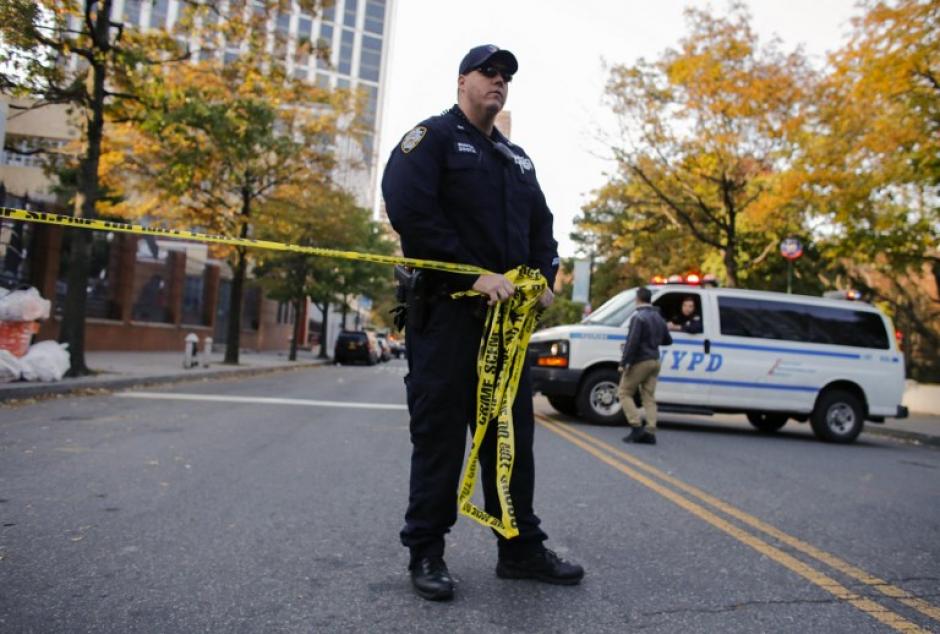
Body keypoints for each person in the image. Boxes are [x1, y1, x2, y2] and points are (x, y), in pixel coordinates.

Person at [382, 44, 584, 601]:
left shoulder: (518, 159)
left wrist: (545, 277)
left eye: (506, 76)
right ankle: (426, 551)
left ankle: (518, 549)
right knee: (441, 439)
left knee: (508, 440)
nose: (499, 81)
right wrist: (473, 275)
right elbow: (409, 212)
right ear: (462, 80)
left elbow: (543, 229)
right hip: (448, 318)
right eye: (488, 72)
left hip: (507, 330)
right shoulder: (431, 140)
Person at [618, 287, 673, 445]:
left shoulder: (638, 317)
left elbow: (632, 342)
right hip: (655, 360)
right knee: (649, 397)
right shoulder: (658, 317)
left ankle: (636, 427)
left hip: (641, 360)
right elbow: (668, 340)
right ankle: (650, 431)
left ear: (638, 299)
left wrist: (625, 362)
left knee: (624, 392)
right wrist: (653, 341)